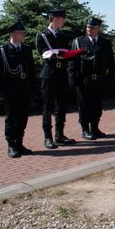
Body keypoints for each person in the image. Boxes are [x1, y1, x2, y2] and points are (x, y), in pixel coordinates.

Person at [0, 21, 36, 158]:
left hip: (24, 90)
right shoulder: (3, 50)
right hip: (10, 91)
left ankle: (19, 143)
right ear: (12, 33)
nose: (23, 34)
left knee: (22, 118)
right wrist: (1, 94)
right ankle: (11, 145)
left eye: (24, 32)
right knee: (11, 119)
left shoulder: (26, 49)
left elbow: (31, 71)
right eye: (20, 32)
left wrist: (32, 89)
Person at [69, 18, 115, 140]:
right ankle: (85, 130)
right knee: (84, 106)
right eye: (88, 27)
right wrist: (73, 80)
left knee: (97, 106)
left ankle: (95, 128)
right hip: (84, 80)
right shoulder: (79, 41)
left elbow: (111, 63)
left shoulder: (105, 43)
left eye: (92, 28)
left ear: (98, 29)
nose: (89, 29)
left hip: (99, 80)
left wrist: (111, 80)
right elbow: (73, 63)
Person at [36, 9, 76, 149]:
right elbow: (43, 52)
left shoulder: (63, 36)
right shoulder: (42, 36)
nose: (63, 21)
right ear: (54, 19)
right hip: (49, 74)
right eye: (62, 18)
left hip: (61, 74)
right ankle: (48, 137)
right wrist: (54, 54)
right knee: (48, 106)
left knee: (62, 105)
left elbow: (67, 51)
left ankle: (59, 135)